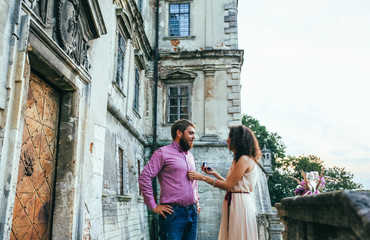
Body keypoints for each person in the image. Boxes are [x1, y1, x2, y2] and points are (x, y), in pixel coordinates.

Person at [187, 125, 261, 240]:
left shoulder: (244, 159)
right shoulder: (241, 159)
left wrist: (202, 177)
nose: (227, 140)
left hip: (240, 203)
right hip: (236, 200)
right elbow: (232, 185)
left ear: (237, 140)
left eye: (230, 138)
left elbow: (229, 186)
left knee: (237, 235)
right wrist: (215, 174)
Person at [138, 119, 200, 240]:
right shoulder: (162, 153)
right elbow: (144, 177)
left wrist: (196, 200)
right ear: (179, 133)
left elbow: (193, 181)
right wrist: (153, 205)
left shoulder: (190, 156)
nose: (194, 137)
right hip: (173, 214)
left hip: (192, 212)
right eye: (191, 133)